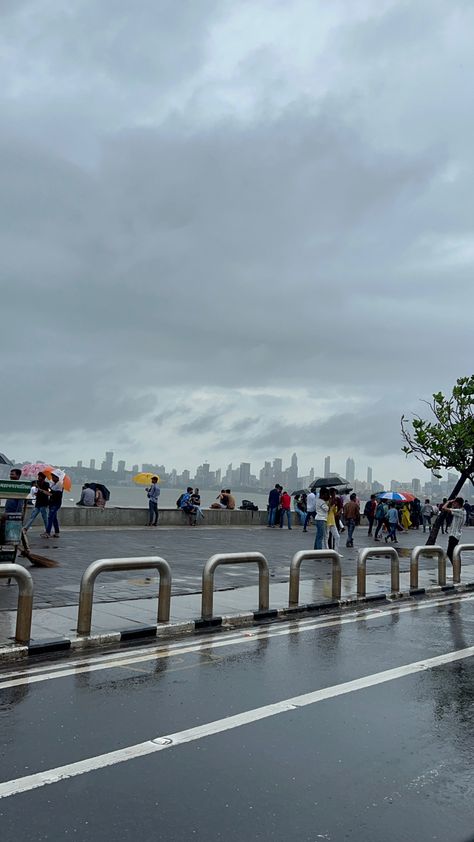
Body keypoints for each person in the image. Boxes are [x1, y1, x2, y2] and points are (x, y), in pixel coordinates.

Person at [443, 498, 466, 563]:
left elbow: (444, 508)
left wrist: (448, 501)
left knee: (450, 553)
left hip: (454, 535)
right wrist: (453, 504)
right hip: (456, 534)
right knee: (453, 553)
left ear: (458, 503)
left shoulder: (459, 511)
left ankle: (456, 567)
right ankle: (457, 568)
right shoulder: (462, 511)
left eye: (454, 502)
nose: (453, 503)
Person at [42, 471, 63, 537]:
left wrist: (49, 490)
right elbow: (50, 491)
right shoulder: (53, 484)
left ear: (57, 477)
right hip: (52, 503)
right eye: (52, 476)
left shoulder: (59, 484)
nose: (52, 478)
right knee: (54, 518)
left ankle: (47, 532)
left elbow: (54, 493)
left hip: (55, 503)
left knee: (50, 517)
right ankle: (57, 532)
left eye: (54, 476)